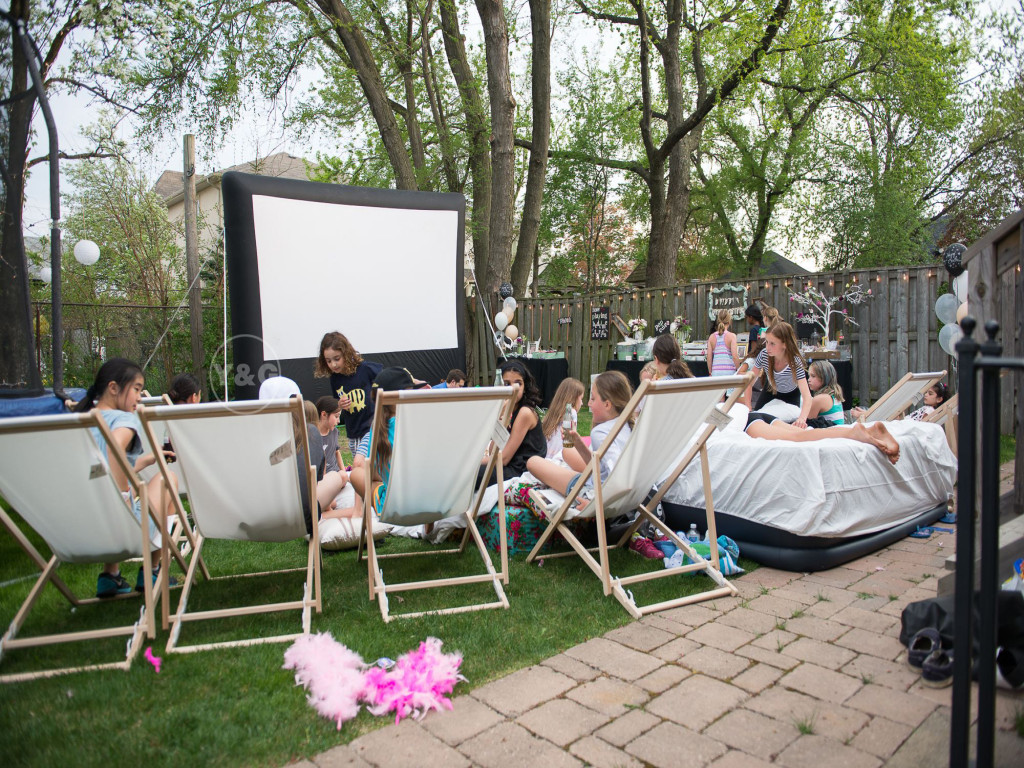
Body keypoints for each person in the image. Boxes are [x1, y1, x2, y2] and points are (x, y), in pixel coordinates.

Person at [74, 358, 177, 597]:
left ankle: (110, 576)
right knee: (168, 479)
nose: (139, 397)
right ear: (113, 388)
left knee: (126, 489)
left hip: (84, 525)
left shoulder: (79, 421)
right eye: (137, 389)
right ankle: (152, 571)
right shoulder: (123, 419)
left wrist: (147, 459)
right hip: (123, 528)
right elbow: (114, 450)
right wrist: (124, 495)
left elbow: (102, 465)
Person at [526, 370, 635, 497]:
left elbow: (617, 476)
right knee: (566, 452)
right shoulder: (627, 426)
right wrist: (578, 443)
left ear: (607, 404)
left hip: (592, 492)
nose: (588, 403)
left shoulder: (600, 432)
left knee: (533, 462)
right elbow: (599, 468)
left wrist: (592, 502)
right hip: (598, 483)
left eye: (593, 398)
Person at [314, 331, 382, 467]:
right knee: (364, 468)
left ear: (346, 353)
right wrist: (339, 404)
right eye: (328, 361)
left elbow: (389, 375)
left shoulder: (365, 369)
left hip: (371, 427)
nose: (333, 364)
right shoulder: (335, 379)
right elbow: (337, 404)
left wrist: (412, 381)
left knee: (360, 463)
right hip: (353, 431)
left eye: (337, 359)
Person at [477, 359, 546, 487]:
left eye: (518, 383)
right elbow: (493, 451)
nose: (513, 388)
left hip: (521, 470)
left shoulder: (525, 413)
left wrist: (473, 462)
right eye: (507, 383)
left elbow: (503, 459)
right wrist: (501, 421)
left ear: (524, 388)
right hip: (508, 465)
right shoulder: (508, 409)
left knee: (471, 474)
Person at [743, 411, 901, 464]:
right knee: (802, 434)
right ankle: (871, 430)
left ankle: (852, 433)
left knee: (797, 437)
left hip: (747, 421)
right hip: (759, 415)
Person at [744, 322, 813, 427]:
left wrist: (802, 419)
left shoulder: (794, 362)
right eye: (766, 342)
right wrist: (748, 408)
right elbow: (749, 383)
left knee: (785, 424)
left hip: (791, 395)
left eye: (772, 344)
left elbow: (807, 396)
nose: (767, 347)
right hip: (770, 390)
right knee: (755, 419)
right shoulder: (764, 355)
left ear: (784, 344)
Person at [851, 381, 949, 422]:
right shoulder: (929, 409)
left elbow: (922, 426)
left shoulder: (930, 411)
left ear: (939, 399)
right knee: (890, 414)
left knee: (888, 415)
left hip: (905, 426)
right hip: (905, 422)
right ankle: (866, 413)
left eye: (930, 394)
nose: (926, 395)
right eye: (926, 392)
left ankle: (865, 414)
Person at [541, 377, 585, 459]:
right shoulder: (570, 412)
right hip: (559, 459)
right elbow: (569, 442)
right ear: (574, 398)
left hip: (545, 457)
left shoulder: (554, 412)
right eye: (581, 399)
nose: (582, 403)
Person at [314, 396, 349, 482]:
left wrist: (344, 472)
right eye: (336, 416)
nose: (339, 421)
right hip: (321, 479)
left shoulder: (334, 431)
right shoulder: (313, 435)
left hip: (336, 474)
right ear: (324, 414)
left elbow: (337, 452)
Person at [806, 360, 846, 427]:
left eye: (813, 376)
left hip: (831, 432)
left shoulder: (820, 399)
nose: (809, 380)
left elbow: (806, 423)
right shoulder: (833, 395)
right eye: (809, 376)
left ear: (824, 377)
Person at [707, 309, 739, 378]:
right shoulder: (732, 336)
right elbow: (735, 356)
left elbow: (709, 357)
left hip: (715, 374)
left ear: (718, 321)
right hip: (729, 374)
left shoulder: (711, 337)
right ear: (729, 321)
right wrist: (739, 369)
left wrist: (710, 372)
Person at [736, 336, 765, 408]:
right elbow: (739, 373)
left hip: (747, 387)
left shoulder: (762, 361)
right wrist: (752, 374)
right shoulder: (751, 361)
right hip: (739, 389)